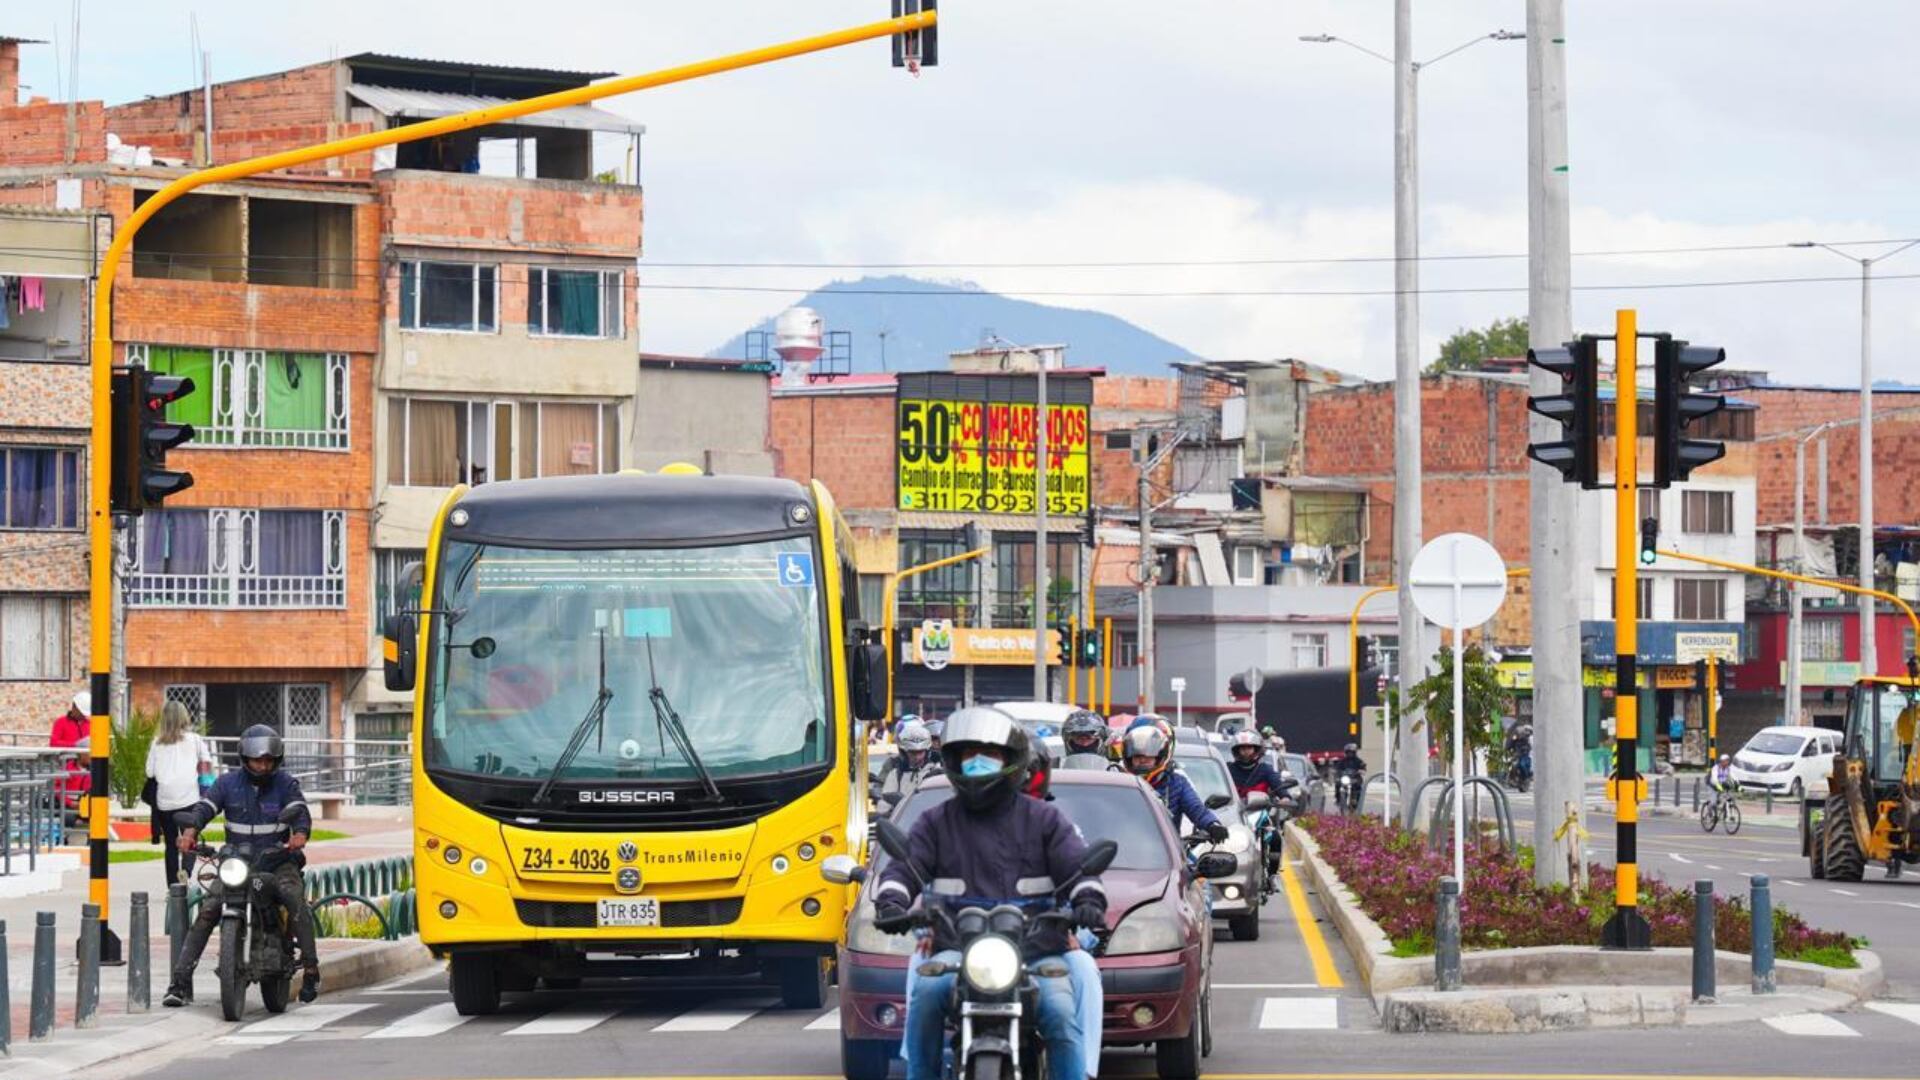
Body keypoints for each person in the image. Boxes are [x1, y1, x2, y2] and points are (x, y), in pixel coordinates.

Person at [873, 707, 1104, 1080]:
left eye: (990, 755)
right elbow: (904, 868)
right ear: (953, 762)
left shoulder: (1046, 820)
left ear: (1012, 761)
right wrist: (891, 902)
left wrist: (1088, 900)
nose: (978, 763)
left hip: (1037, 950)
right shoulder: (936, 821)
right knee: (928, 996)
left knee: (1061, 1013)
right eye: (968, 755)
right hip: (956, 949)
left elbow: (1078, 868)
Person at [164, 725, 319, 1009]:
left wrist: (300, 834)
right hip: (237, 862)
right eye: (258, 760)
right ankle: (179, 983)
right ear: (245, 759)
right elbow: (204, 808)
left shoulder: (286, 784)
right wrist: (189, 833)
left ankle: (310, 970)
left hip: (277, 861)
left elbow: (300, 811)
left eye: (269, 760)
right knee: (209, 909)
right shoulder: (227, 784)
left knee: (294, 899)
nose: (263, 765)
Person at [1119, 717, 1227, 842]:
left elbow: (1197, 810)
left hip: (1167, 852)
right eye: (1137, 757)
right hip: (1124, 849)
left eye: (1148, 757)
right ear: (1128, 757)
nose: (1142, 761)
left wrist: (1212, 825)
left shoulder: (1177, 783)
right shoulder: (1119, 783)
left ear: (1160, 757)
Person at [143, 702, 214, 885]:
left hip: (164, 801)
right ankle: (186, 874)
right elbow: (206, 766)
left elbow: (149, 772)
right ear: (184, 717)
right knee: (190, 839)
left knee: (171, 845)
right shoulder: (195, 740)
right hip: (189, 798)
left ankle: (172, 886)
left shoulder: (156, 743)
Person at [49, 691, 91, 818]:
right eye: (82, 713)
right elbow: (54, 743)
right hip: (66, 764)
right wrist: (76, 746)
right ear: (74, 707)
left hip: (85, 765)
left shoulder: (90, 724)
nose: (84, 716)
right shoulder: (61, 722)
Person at [880, 719, 939, 803]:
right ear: (904, 752)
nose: (917, 757)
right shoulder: (895, 774)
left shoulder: (936, 771)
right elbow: (883, 808)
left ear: (927, 751)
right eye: (912, 752)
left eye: (920, 752)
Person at [1226, 730, 1285, 799]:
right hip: (1232, 808)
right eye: (1243, 748)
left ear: (1257, 750)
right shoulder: (1228, 769)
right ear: (1236, 750)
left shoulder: (1265, 769)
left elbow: (1278, 786)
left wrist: (1285, 797)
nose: (1246, 751)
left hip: (1261, 809)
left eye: (1249, 748)